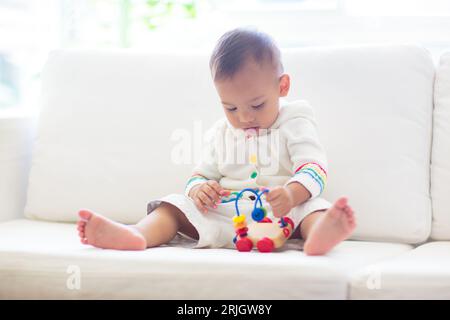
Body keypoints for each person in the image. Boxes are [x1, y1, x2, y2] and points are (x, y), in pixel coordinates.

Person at [77, 28, 356, 255]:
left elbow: (315, 169)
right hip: (229, 216)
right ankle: (138, 234)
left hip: (284, 213)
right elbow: (199, 174)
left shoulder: (295, 120)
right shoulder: (220, 133)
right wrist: (200, 189)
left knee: (314, 208)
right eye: (231, 108)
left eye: (257, 105)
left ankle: (320, 237)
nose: (245, 117)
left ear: (281, 87)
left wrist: (292, 194)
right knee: (173, 205)